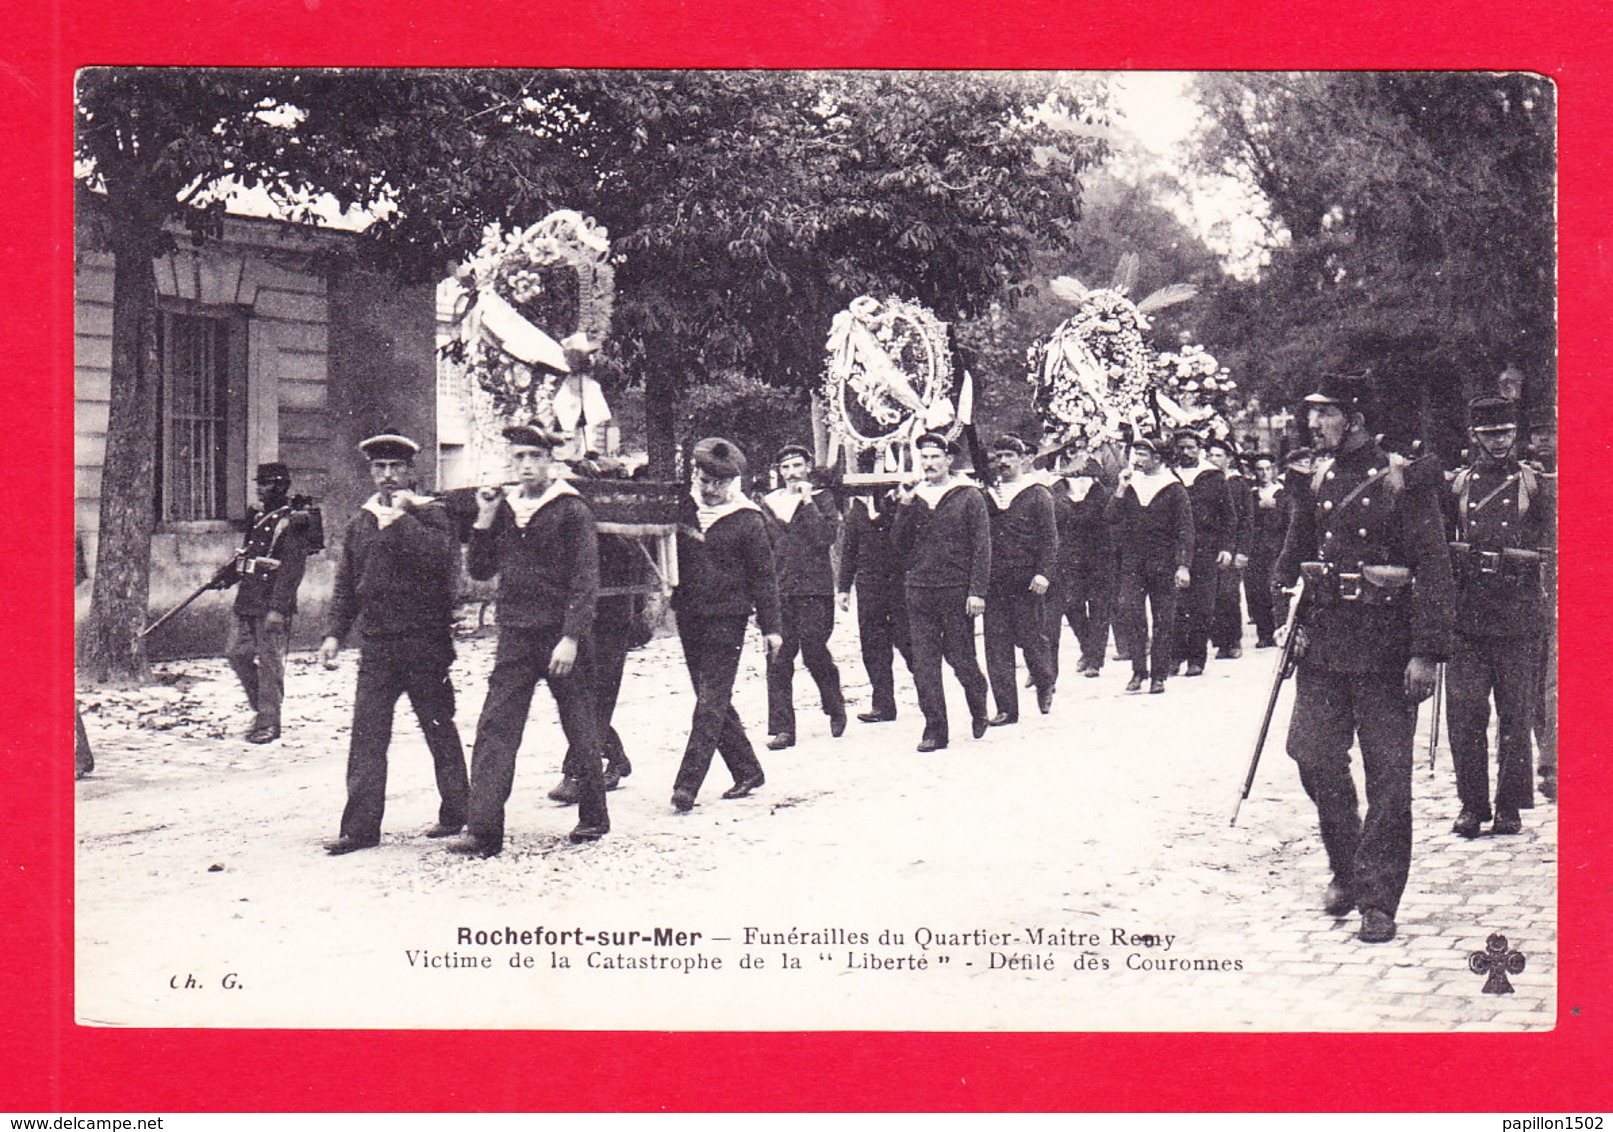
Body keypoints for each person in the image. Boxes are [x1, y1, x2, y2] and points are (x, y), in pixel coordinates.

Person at [1272, 372, 1454, 944]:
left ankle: (1377, 898)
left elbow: (1435, 570)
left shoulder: (1403, 481)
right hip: (1324, 646)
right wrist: (1286, 615)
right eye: (1312, 413)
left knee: (1389, 779)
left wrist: (1427, 653)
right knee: (1311, 755)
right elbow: (1290, 557)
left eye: (1325, 414)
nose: (1313, 423)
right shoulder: (1314, 477)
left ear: (1355, 420)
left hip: (1386, 653)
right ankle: (1347, 864)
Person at [450, 423, 609, 856]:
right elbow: (481, 571)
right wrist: (482, 520)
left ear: (549, 461)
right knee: (495, 727)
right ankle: (483, 829)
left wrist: (571, 638)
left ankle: (594, 817)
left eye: (534, 458)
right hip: (516, 636)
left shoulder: (571, 509)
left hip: (561, 638)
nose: (525, 466)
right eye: (518, 458)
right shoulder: (502, 508)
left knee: (580, 726)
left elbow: (584, 580)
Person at [317, 433, 470, 856]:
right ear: (371, 472)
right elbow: (347, 583)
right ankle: (359, 829)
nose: (387, 477)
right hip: (378, 646)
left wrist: (403, 519)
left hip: (425, 643)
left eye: (396, 468)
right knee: (367, 736)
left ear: (411, 472)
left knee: (439, 728)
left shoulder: (434, 516)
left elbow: (441, 564)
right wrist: (334, 633)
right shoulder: (360, 522)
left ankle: (459, 809)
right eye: (379, 468)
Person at [1444, 396, 1556, 838]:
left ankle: (1508, 805)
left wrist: (1529, 563)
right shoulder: (1459, 486)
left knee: (1515, 714)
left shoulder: (1535, 485)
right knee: (1465, 715)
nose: (1498, 442)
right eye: (1489, 435)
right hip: (1468, 617)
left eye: (1505, 433)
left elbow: (1554, 545)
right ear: (1475, 436)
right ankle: (1472, 805)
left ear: (1515, 434)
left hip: (1518, 616)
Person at [670, 437, 783, 810]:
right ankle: (747, 769)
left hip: (728, 619)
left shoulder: (749, 520)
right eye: (705, 481)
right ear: (696, 476)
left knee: (711, 700)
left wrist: (772, 628)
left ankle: (686, 785)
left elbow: (764, 578)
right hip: (689, 616)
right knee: (711, 699)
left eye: (720, 483)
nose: (711, 490)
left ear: (734, 483)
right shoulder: (683, 511)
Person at [891, 432, 992, 752]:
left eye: (935, 457)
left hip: (956, 591)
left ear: (949, 460)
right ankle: (935, 729)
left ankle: (978, 701)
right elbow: (897, 544)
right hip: (919, 591)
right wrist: (905, 506)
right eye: (924, 458)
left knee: (961, 659)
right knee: (924, 664)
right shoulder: (913, 497)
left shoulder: (968, 495)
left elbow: (982, 546)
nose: (929, 463)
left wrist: (977, 590)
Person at [226, 462, 318, 744]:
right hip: (248, 596)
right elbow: (248, 555)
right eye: (259, 484)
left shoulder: (293, 521)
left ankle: (269, 722)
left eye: (265, 484)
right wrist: (225, 577)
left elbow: (292, 568)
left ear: (280, 486)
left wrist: (279, 607)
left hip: (271, 600)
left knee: (269, 662)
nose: (259, 489)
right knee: (236, 653)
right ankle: (264, 709)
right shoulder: (258, 517)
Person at [761, 443, 846, 749]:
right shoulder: (769, 504)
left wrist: (808, 501)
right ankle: (783, 729)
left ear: (808, 467)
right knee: (779, 658)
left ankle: (834, 705)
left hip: (814, 590)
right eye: (785, 467)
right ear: (778, 472)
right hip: (780, 591)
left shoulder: (823, 500)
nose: (792, 472)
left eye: (797, 465)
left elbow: (826, 537)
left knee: (814, 651)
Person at [1106, 435, 1193, 695]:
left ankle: (1158, 675)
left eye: (1143, 454)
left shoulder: (1173, 488)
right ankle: (1138, 671)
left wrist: (1183, 565)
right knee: (1131, 612)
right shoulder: (1131, 484)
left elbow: (1186, 530)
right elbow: (1110, 516)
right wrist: (1120, 489)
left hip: (1164, 563)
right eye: (1136, 453)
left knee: (1163, 619)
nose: (1137, 459)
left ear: (1158, 458)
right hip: (1133, 563)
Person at [982, 434, 1058, 724]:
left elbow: (1050, 539)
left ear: (1023, 459)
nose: (1002, 462)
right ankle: (1006, 709)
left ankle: (1044, 680)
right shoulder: (989, 493)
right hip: (995, 581)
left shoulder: (1038, 493)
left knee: (1030, 638)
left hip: (1026, 581)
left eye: (1009, 457)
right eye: (998, 457)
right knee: (996, 645)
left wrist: (1043, 573)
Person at [837, 486, 913, 723]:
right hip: (869, 586)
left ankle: (930, 696)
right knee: (873, 647)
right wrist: (843, 588)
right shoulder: (859, 507)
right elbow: (849, 549)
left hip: (900, 584)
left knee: (909, 643)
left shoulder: (904, 500)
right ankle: (883, 705)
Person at [1170, 430, 1234, 678]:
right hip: (1176, 548)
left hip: (1207, 548)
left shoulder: (1213, 477)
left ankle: (1196, 659)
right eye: (1182, 448)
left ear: (1199, 449)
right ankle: (1174, 657)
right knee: (1175, 605)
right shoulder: (1170, 476)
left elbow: (1228, 516)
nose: (1186, 452)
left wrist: (1227, 547)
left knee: (1202, 606)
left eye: (1191, 448)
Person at [1046, 447, 1114, 679]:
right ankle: (1087, 647)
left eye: (1087, 475)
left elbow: (1105, 519)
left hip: (1099, 557)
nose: (1082, 480)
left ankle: (1095, 659)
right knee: (1072, 605)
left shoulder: (1101, 493)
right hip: (1068, 559)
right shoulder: (1055, 492)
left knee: (1098, 607)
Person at [1524, 409, 1557, 801]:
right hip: (1531, 585)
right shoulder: (1523, 476)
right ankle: (1545, 749)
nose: (1545, 441)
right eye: (1539, 435)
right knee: (1533, 682)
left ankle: (1553, 763)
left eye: (1550, 433)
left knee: (1555, 678)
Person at [1207, 435, 1252, 660]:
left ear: (1228, 459)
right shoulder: (1204, 481)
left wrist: (1242, 550)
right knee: (1212, 595)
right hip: (1210, 548)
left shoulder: (1237, 484)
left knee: (1229, 594)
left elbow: (1246, 520)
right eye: (1211, 455)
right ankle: (1220, 642)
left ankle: (1233, 639)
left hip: (1232, 548)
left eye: (1219, 455)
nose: (1214, 459)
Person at [1244, 452, 1287, 648]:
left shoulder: (1282, 493)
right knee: (1257, 590)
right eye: (1260, 470)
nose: (1264, 473)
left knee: (1273, 588)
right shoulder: (1251, 495)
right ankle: (1264, 633)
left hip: (1276, 547)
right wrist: (1259, 507)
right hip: (1256, 549)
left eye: (1268, 469)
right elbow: (1245, 518)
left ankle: (1280, 629)